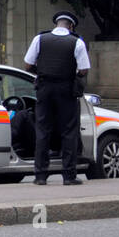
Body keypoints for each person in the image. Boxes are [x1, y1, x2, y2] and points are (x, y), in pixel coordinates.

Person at [23, 11, 90, 185]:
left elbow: (28, 64)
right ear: (71, 26)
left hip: (44, 89)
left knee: (43, 130)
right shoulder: (77, 42)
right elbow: (83, 70)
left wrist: (43, 73)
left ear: (56, 24)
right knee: (69, 131)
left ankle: (40, 176)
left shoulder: (40, 39)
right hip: (66, 89)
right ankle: (68, 175)